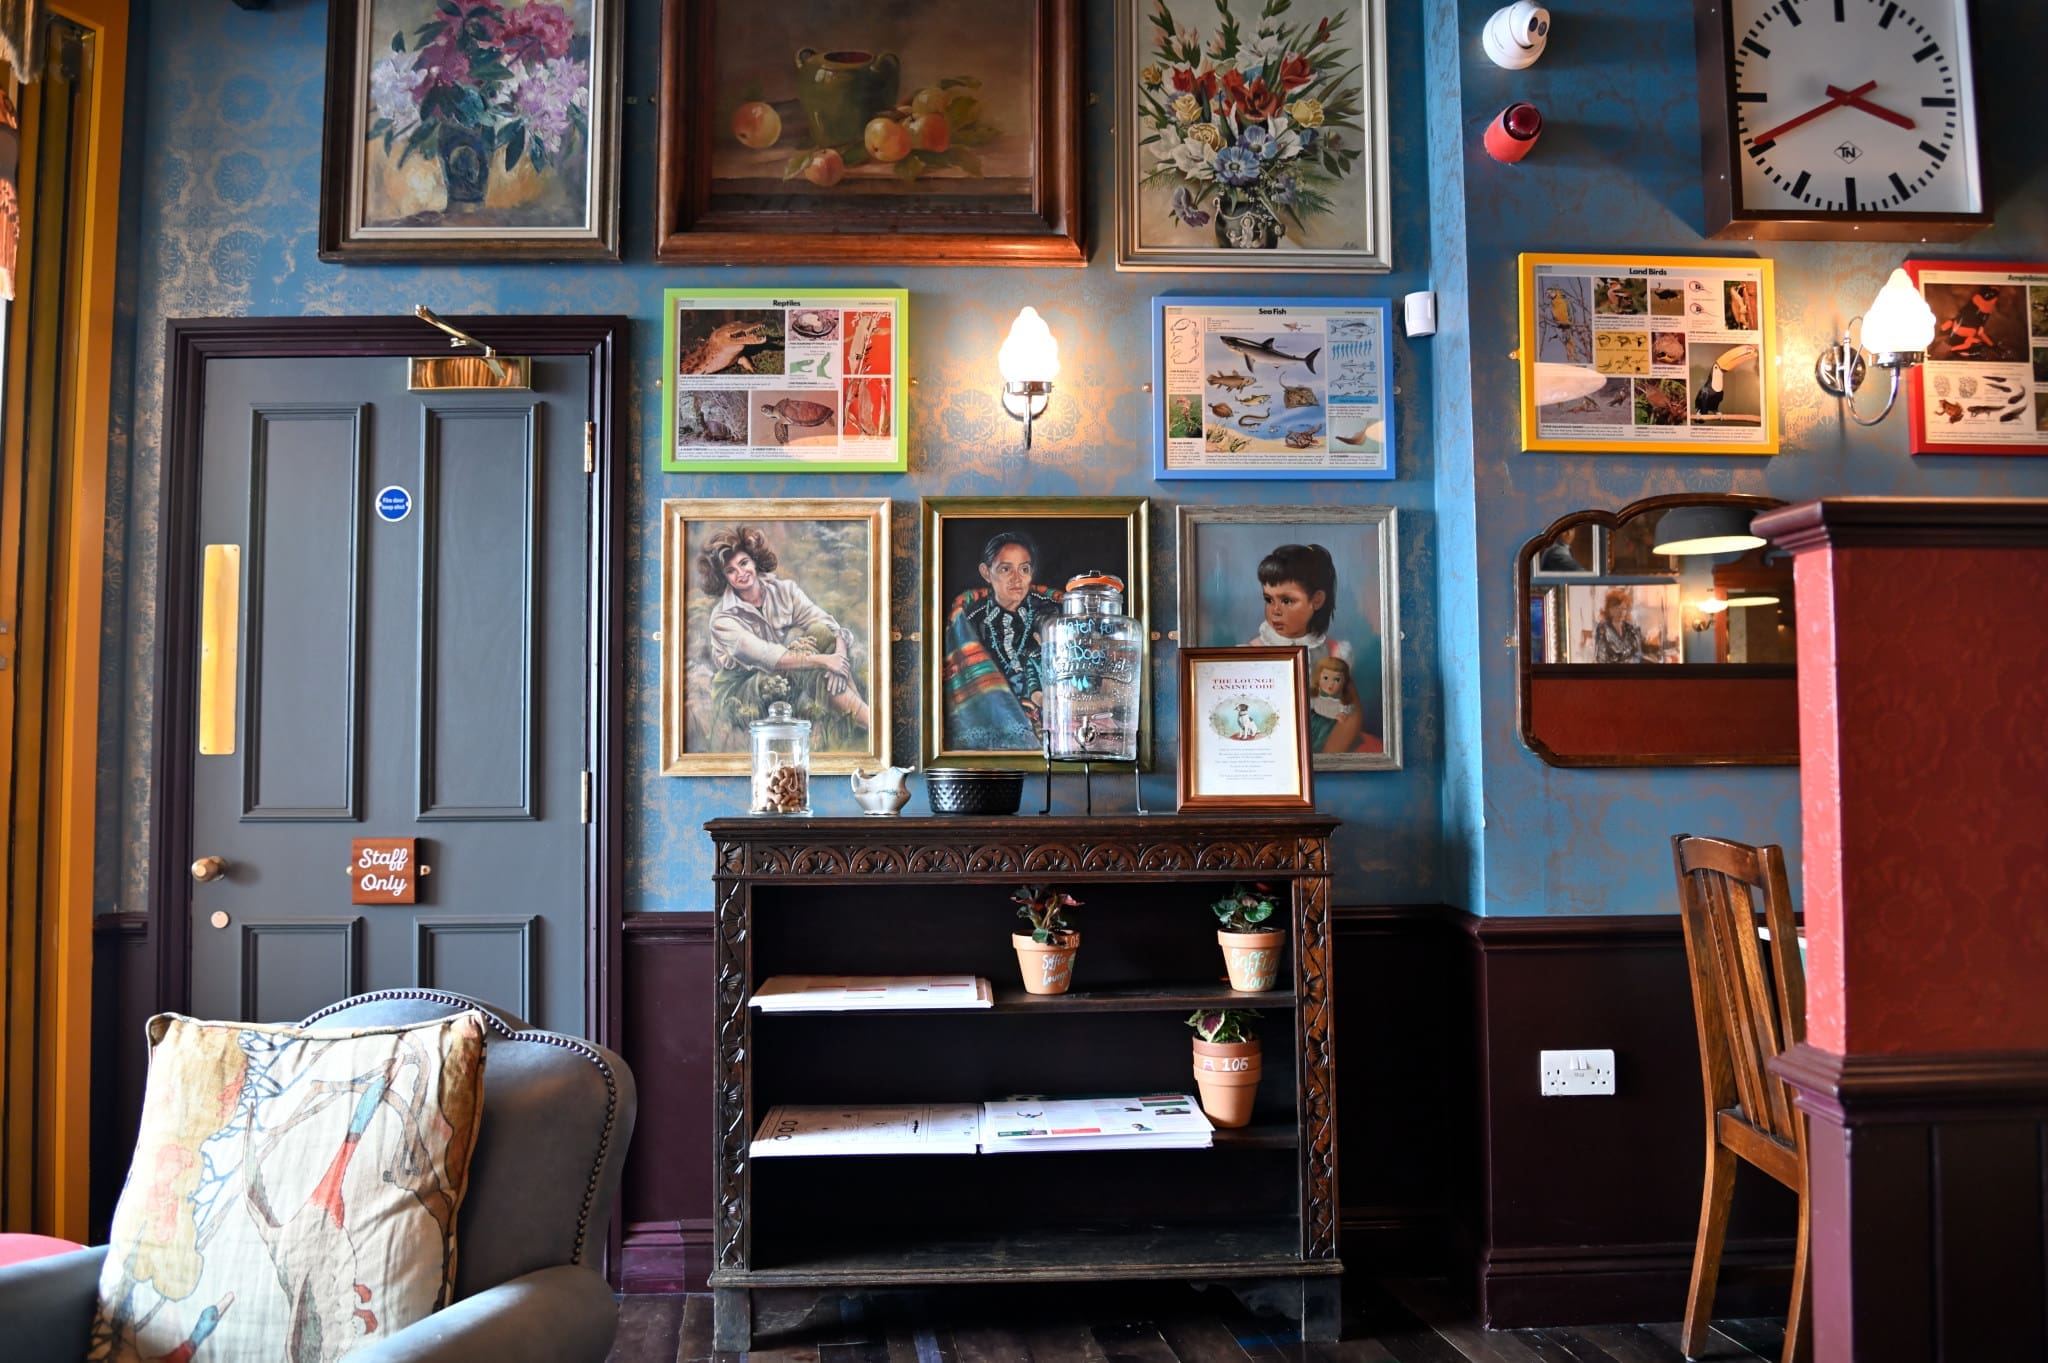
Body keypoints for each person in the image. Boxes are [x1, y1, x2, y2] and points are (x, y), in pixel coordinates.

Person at [699, 526, 869, 748]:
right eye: (730, 571)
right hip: (743, 685)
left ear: (754, 561)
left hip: (785, 666)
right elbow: (766, 656)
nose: (740, 573)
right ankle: (871, 725)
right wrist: (825, 661)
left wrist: (839, 657)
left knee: (820, 633)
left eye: (743, 563)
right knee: (809, 667)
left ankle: (860, 723)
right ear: (723, 578)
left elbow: (827, 624)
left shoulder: (783, 590)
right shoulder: (722, 618)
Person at [1247, 542, 1377, 753]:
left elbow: (1351, 713)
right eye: (1269, 599)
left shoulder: (1335, 651)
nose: (1275, 611)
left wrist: (1327, 757)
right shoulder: (1253, 651)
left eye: (1287, 601)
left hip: (1327, 747)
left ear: (1316, 600)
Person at [942, 531, 1063, 750]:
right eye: (1006, 569)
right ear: (986, 573)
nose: (1017, 579)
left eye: (1024, 569)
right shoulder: (970, 619)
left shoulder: (1050, 611)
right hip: (990, 713)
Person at [1306, 655, 1358, 754]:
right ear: (1318, 678)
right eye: (1325, 678)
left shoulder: (1341, 702)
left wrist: (1342, 715)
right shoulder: (1315, 697)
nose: (1330, 684)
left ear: (1344, 682)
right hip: (1314, 720)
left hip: (1328, 726)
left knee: (1319, 743)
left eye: (1337, 680)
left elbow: (1347, 712)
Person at [1938, 284, 2003, 357]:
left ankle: (1992, 347)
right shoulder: (1977, 299)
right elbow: (1963, 313)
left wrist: (1981, 327)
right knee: (1978, 342)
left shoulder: (1986, 303)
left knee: (1978, 342)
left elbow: (1983, 322)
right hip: (1962, 327)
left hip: (1965, 329)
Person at [1592, 587, 1647, 663]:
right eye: (1617, 608)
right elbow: (1601, 658)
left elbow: (1638, 653)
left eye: (1623, 608)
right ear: (1609, 610)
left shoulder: (1631, 629)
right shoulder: (1603, 628)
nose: (1621, 612)